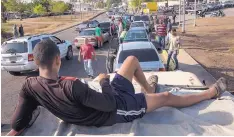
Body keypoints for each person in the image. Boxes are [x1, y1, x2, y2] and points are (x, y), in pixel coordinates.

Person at [7, 39, 228, 136]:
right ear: (58, 60)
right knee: (167, 96)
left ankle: (148, 92)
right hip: (115, 109)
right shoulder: (71, 86)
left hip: (108, 96)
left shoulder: (29, 86)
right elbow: (110, 104)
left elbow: (18, 121)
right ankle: (211, 92)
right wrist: (104, 80)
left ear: (36, 63)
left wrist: (15, 130)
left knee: (131, 60)